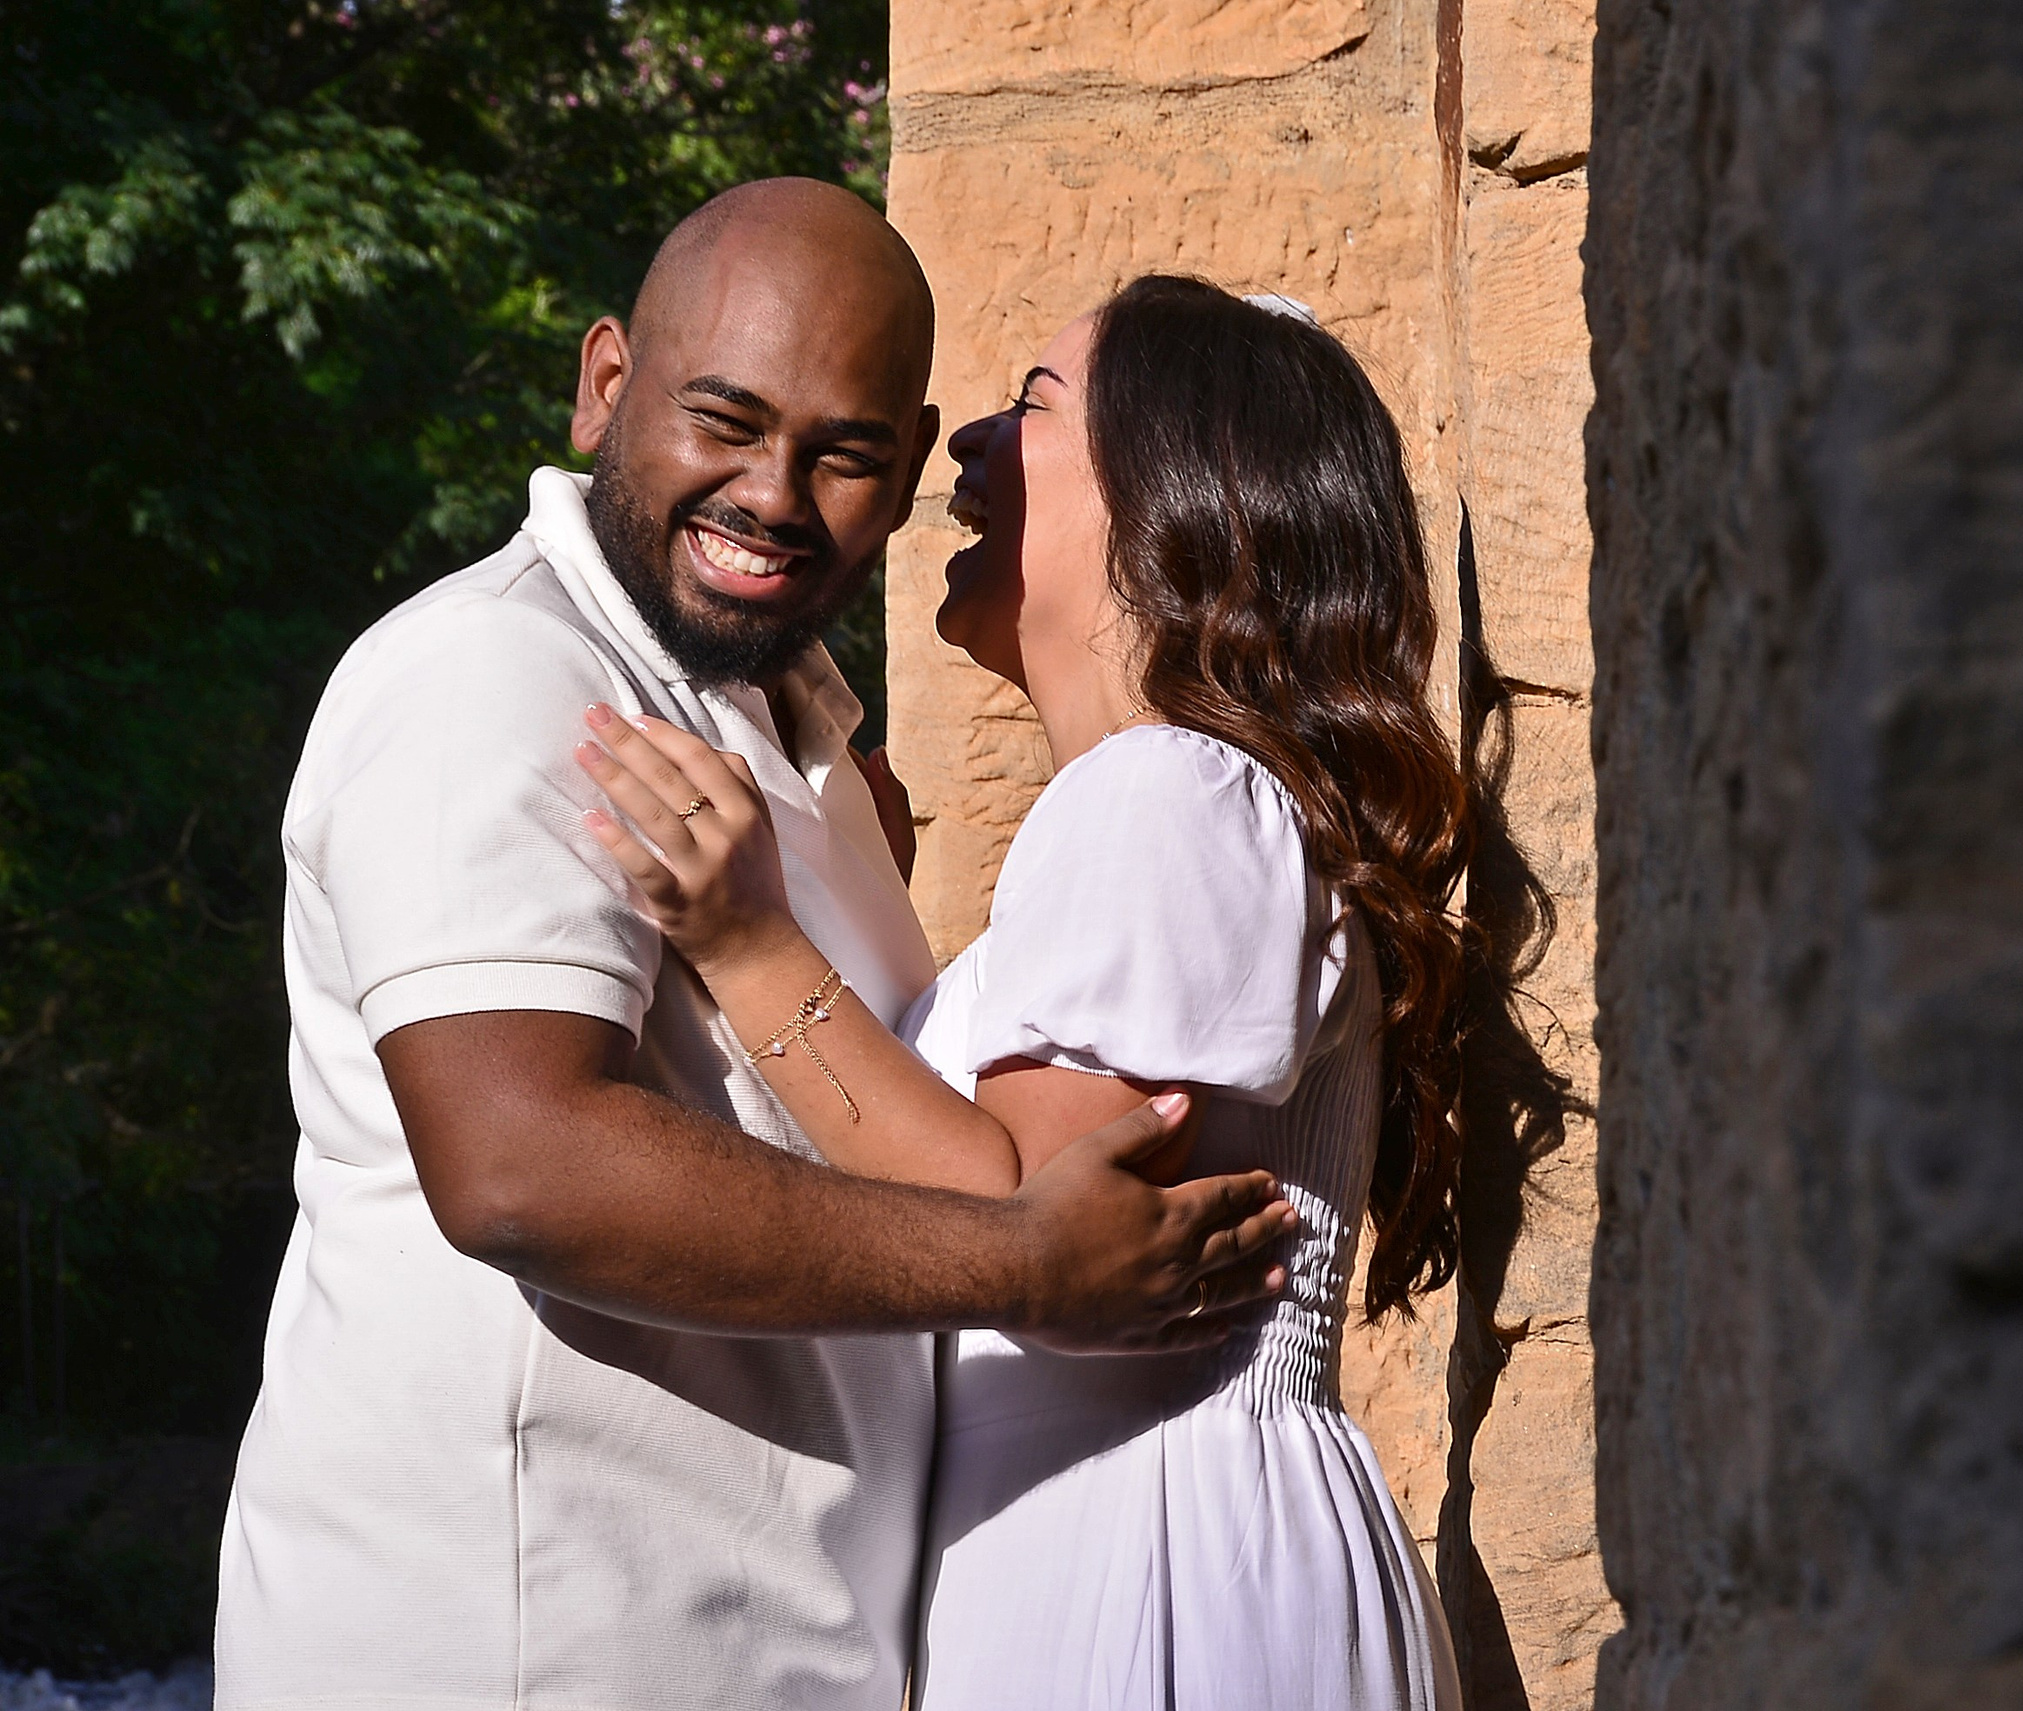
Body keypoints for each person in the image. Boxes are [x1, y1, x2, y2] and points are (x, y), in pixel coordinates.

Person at [214, 186, 1297, 1711]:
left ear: (914, 467)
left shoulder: (817, 750)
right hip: (530, 1644)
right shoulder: (501, 672)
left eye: (844, 453)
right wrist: (1017, 1269)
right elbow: (521, 1161)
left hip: (771, 1646)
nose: (774, 494)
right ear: (606, 383)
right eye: (726, 417)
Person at [577, 275, 1469, 1708]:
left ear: (1173, 494)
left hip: (1140, 1549)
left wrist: (751, 947)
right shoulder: (1193, 800)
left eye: (1038, 405)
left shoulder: (1164, 788)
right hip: (1146, 1518)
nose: (970, 445)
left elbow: (1039, 1244)